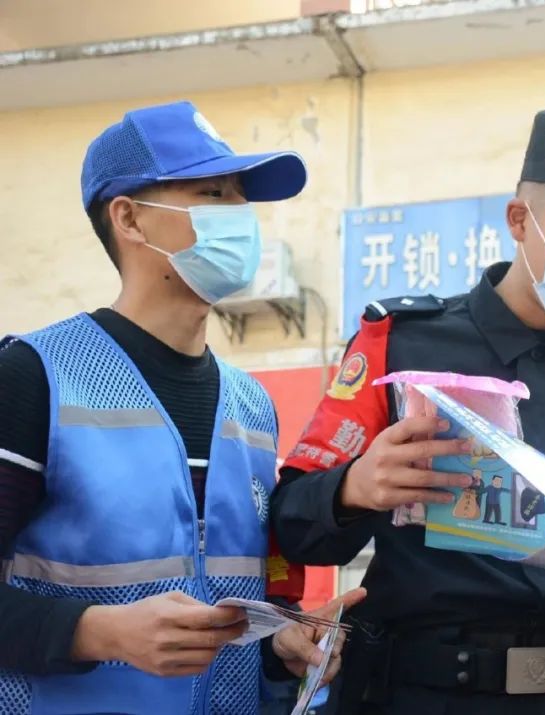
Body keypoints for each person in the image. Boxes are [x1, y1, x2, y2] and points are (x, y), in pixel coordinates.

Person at [271, 110, 545, 714]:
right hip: (425, 693)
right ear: (520, 220)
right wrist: (354, 488)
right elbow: (293, 525)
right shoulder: (402, 344)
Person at [0, 100, 363, 715]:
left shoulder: (251, 404)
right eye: (212, 193)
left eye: (240, 197)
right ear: (130, 219)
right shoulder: (37, 377)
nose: (238, 217)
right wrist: (99, 632)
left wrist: (281, 643)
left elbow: (227, 599)